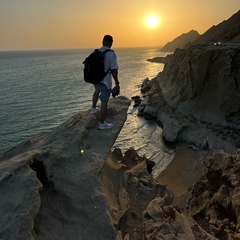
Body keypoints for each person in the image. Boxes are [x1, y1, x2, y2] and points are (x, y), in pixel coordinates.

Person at [91, 35, 120, 130]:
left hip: (96, 79)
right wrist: (117, 83)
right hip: (105, 81)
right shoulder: (111, 54)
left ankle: (93, 109)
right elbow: (114, 70)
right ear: (111, 42)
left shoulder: (96, 51)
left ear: (102, 41)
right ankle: (102, 123)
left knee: (96, 91)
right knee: (104, 102)